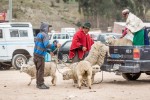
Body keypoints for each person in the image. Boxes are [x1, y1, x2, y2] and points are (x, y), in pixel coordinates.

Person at [34, 22, 54, 89]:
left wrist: (48, 51)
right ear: (45, 28)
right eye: (48, 27)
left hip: (35, 55)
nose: (49, 29)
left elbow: (41, 45)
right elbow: (47, 45)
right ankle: (41, 84)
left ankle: (38, 83)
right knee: (41, 70)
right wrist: (55, 45)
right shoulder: (45, 35)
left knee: (38, 70)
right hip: (40, 56)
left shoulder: (38, 34)